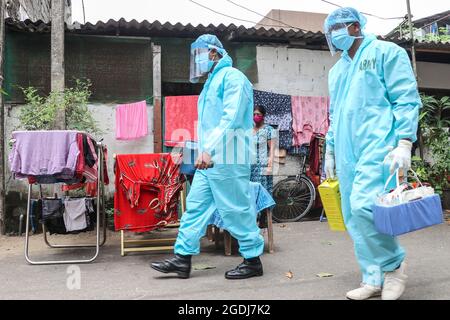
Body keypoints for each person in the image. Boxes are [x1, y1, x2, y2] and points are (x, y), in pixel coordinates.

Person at [323, 8, 421, 300]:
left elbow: (405, 97)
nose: (333, 36)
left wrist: (405, 142)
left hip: (379, 145)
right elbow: (335, 113)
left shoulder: (385, 52)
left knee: (365, 205)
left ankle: (394, 266)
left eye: (337, 28)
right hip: (345, 150)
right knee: (353, 215)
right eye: (330, 32)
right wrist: (329, 148)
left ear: (355, 26)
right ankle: (372, 276)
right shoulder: (337, 70)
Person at [151, 34, 265, 280]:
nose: (198, 60)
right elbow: (208, 124)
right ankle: (182, 259)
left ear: (213, 53)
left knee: (236, 210)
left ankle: (253, 260)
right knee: (194, 208)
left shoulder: (234, 78)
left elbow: (231, 118)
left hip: (229, 158)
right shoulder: (211, 83)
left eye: (200, 54)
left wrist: (209, 148)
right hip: (209, 158)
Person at [251, 105, 276, 195]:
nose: (255, 116)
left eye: (258, 114)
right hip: (250, 165)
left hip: (262, 165)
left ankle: (266, 209)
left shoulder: (269, 129)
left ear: (263, 116)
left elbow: (272, 149)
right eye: (254, 114)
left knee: (262, 189)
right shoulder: (250, 129)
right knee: (251, 189)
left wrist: (270, 166)